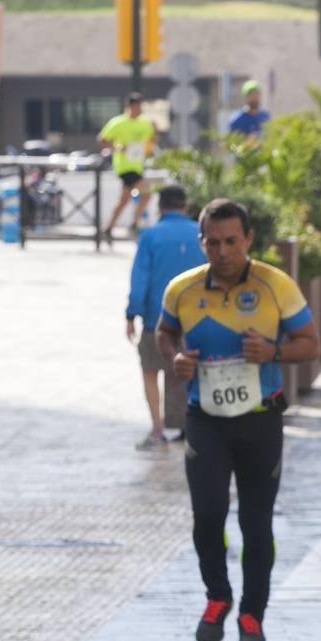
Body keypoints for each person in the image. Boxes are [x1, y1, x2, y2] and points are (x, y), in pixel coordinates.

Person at [156, 198, 321, 641]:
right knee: (207, 514)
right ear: (201, 241)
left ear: (248, 240)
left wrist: (273, 352)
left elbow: (311, 344)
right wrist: (175, 359)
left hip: (260, 420)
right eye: (213, 242)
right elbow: (164, 331)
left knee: (255, 521)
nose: (223, 251)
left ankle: (253, 614)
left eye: (232, 241)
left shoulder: (274, 285)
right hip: (205, 419)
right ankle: (218, 596)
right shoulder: (183, 289)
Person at [126, 184, 206, 450]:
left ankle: (158, 429)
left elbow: (140, 279)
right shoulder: (201, 234)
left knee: (151, 372)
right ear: (186, 205)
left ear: (160, 207)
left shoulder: (150, 237)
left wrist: (131, 314)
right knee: (187, 373)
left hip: (155, 319)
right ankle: (187, 427)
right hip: (197, 319)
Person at [97, 92, 156, 241]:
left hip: (138, 166)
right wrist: (117, 148)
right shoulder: (118, 122)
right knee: (147, 192)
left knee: (124, 200)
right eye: (134, 106)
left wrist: (156, 131)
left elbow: (152, 140)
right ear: (128, 107)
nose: (137, 109)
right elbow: (102, 140)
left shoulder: (145, 123)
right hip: (124, 166)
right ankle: (134, 224)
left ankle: (109, 228)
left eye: (139, 107)